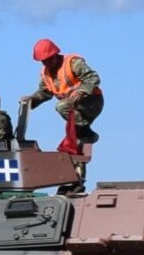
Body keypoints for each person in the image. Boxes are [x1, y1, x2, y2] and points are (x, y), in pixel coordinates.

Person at [17, 39, 103, 177]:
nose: (46, 63)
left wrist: (81, 92)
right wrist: (31, 100)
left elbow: (93, 78)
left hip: (91, 102)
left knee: (62, 106)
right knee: (76, 140)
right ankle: (77, 177)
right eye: (43, 61)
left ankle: (87, 133)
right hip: (73, 107)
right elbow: (45, 92)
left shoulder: (73, 63)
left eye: (48, 59)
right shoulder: (46, 73)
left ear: (55, 55)